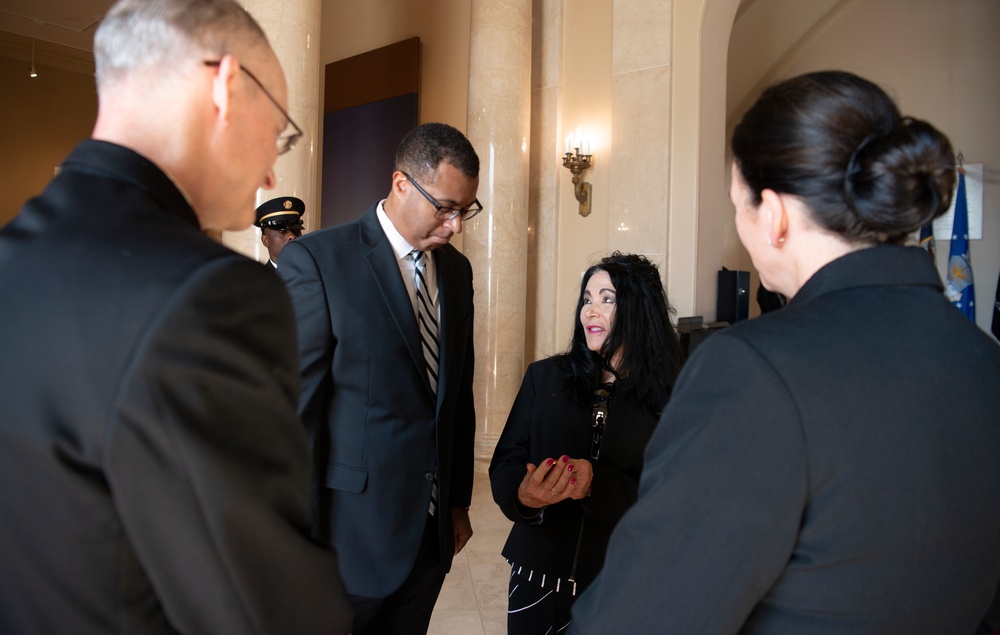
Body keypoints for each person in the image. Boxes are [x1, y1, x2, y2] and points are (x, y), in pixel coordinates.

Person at [570, 70, 1000, 633]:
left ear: (772, 215)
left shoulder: (750, 369)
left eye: (737, 207)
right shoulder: (982, 358)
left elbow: (640, 618)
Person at [0, 0, 353, 634]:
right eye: (280, 130)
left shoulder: (14, 254)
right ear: (223, 85)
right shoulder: (210, 294)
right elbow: (261, 611)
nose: (272, 174)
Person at [278, 122, 481, 634]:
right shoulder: (318, 262)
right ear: (400, 184)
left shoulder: (456, 274)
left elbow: (455, 397)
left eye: (466, 210)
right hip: (348, 539)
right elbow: (294, 411)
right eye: (446, 208)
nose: (456, 226)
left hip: (430, 538)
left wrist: (456, 501)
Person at [490, 252, 685, 633]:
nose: (590, 311)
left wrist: (597, 485)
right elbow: (507, 461)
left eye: (607, 299)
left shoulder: (675, 394)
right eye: (587, 299)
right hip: (538, 578)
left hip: (623, 584)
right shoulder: (544, 379)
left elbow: (678, 497)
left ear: (639, 308)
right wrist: (524, 497)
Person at [255, 195, 305, 267]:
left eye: (295, 229)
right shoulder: (259, 278)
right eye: (282, 231)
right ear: (265, 240)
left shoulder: (315, 275)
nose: (292, 236)